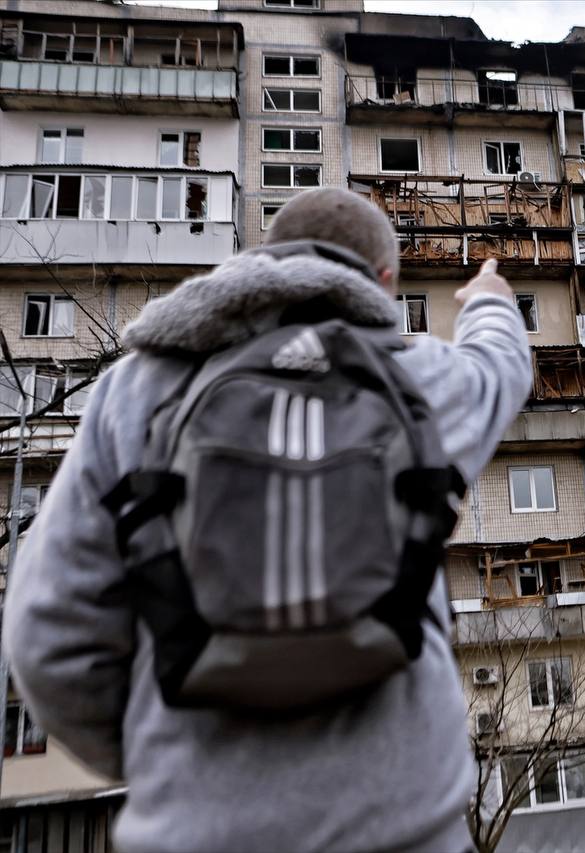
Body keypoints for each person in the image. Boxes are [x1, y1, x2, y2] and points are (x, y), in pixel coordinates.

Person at [2, 188, 532, 852]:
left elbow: (48, 639)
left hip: (191, 829)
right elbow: (502, 368)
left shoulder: (136, 389)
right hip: (403, 824)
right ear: (385, 282)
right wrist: (491, 298)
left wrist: (169, 759)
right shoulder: (417, 380)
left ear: (267, 262)